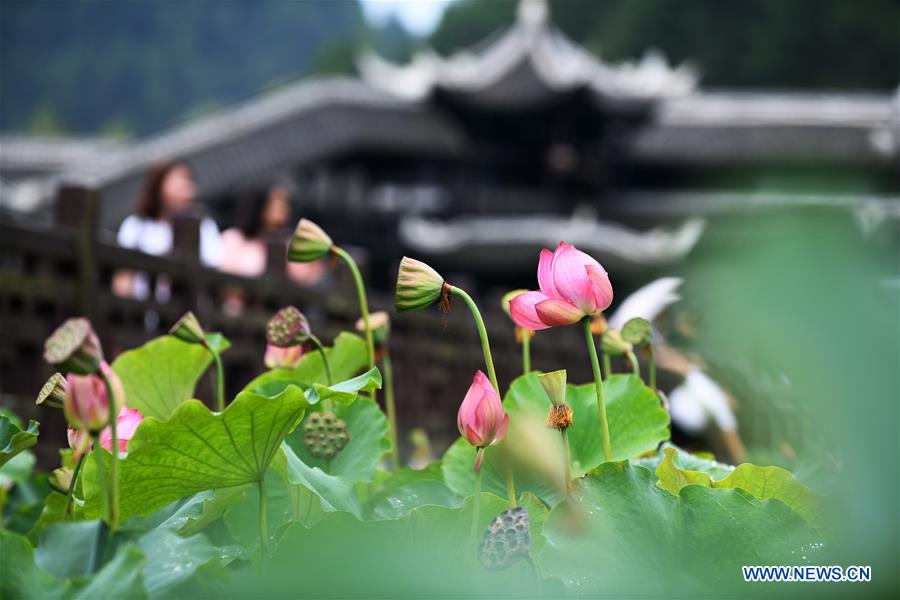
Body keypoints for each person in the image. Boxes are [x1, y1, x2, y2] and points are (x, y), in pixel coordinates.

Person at [113, 161, 221, 299]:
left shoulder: (205, 227)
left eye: (188, 182)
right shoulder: (136, 225)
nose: (186, 189)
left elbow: (212, 270)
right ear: (158, 186)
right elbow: (123, 277)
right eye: (178, 182)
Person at [218, 184, 324, 283]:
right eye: (276, 202)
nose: (282, 208)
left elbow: (306, 278)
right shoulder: (234, 239)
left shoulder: (291, 244)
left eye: (285, 203)